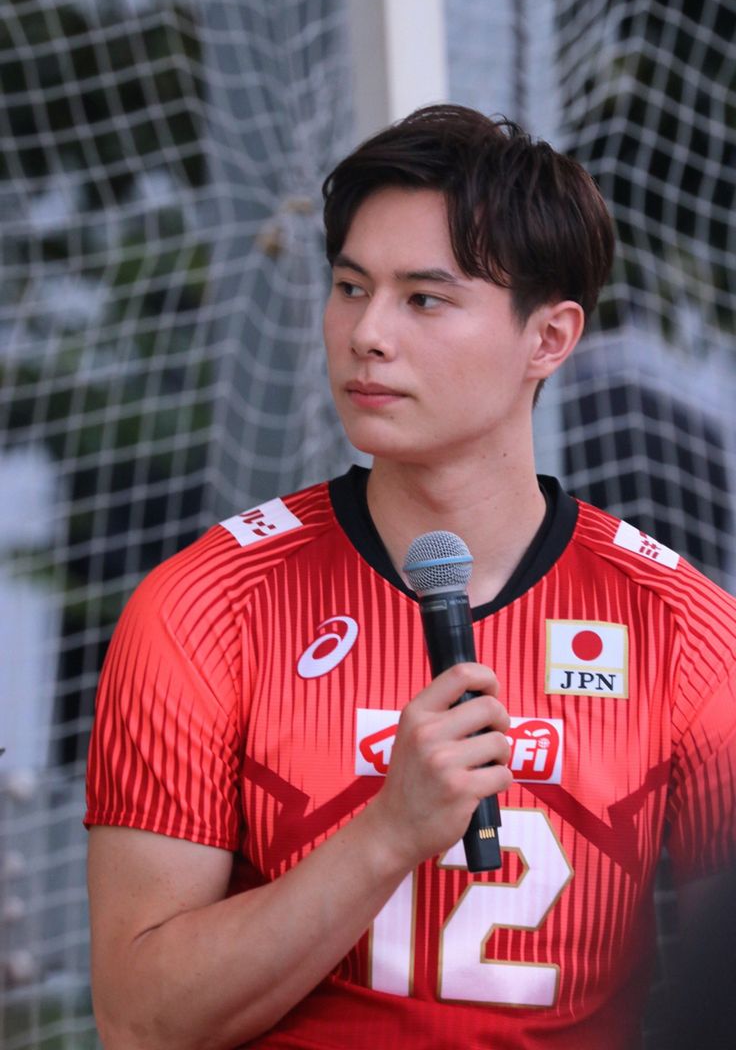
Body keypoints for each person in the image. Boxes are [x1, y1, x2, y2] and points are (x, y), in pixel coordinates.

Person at [85, 104, 736, 1050]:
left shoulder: (689, 631)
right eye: (351, 287)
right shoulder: (203, 606)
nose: (367, 334)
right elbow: (139, 1022)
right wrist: (387, 835)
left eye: (423, 299)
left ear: (549, 340)